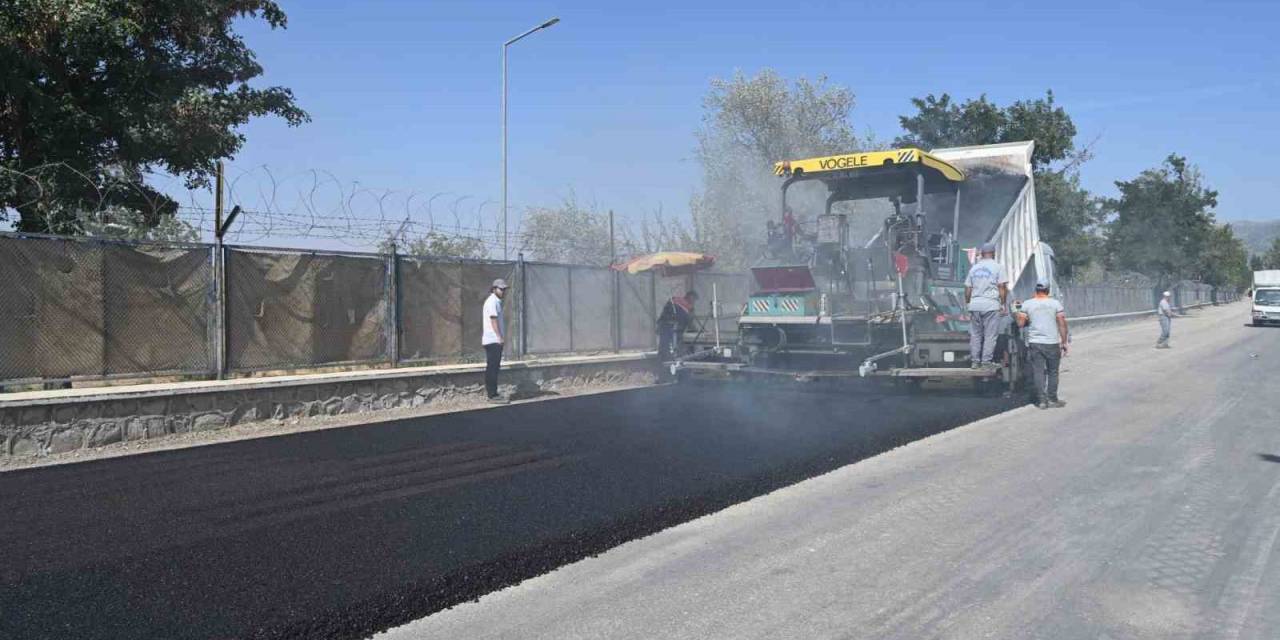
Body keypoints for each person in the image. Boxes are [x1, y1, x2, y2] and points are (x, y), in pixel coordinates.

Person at [1016, 279, 1069, 409]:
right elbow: (1062, 323)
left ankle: (1041, 401)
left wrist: (1017, 312)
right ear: (1048, 290)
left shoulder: (1027, 304)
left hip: (1035, 343)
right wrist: (1064, 341)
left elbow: (1020, 324)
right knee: (1053, 372)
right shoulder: (1055, 304)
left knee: (1038, 372)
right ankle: (1052, 399)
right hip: (1051, 343)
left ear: (1036, 289)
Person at [964, 242, 1009, 369]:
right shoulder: (998, 267)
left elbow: (967, 288)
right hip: (991, 305)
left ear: (982, 254)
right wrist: (1003, 304)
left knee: (976, 335)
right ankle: (986, 362)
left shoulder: (974, 268)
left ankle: (975, 361)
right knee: (990, 335)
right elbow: (1002, 287)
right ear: (993, 253)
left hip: (975, 305)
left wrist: (968, 303)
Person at [482, 279, 510, 404]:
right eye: (501, 289)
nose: (503, 291)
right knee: (492, 368)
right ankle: (492, 395)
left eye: (504, 289)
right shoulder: (492, 301)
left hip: (493, 340)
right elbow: (493, 320)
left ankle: (493, 393)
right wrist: (499, 337)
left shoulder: (495, 301)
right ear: (494, 289)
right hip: (493, 340)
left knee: (494, 367)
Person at [657, 290, 698, 361]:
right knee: (673, 349)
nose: (694, 302)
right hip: (671, 329)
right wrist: (698, 332)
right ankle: (671, 364)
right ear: (690, 297)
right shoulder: (686, 308)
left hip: (664, 326)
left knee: (664, 348)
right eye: (694, 300)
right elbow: (689, 323)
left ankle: (663, 364)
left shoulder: (674, 300)